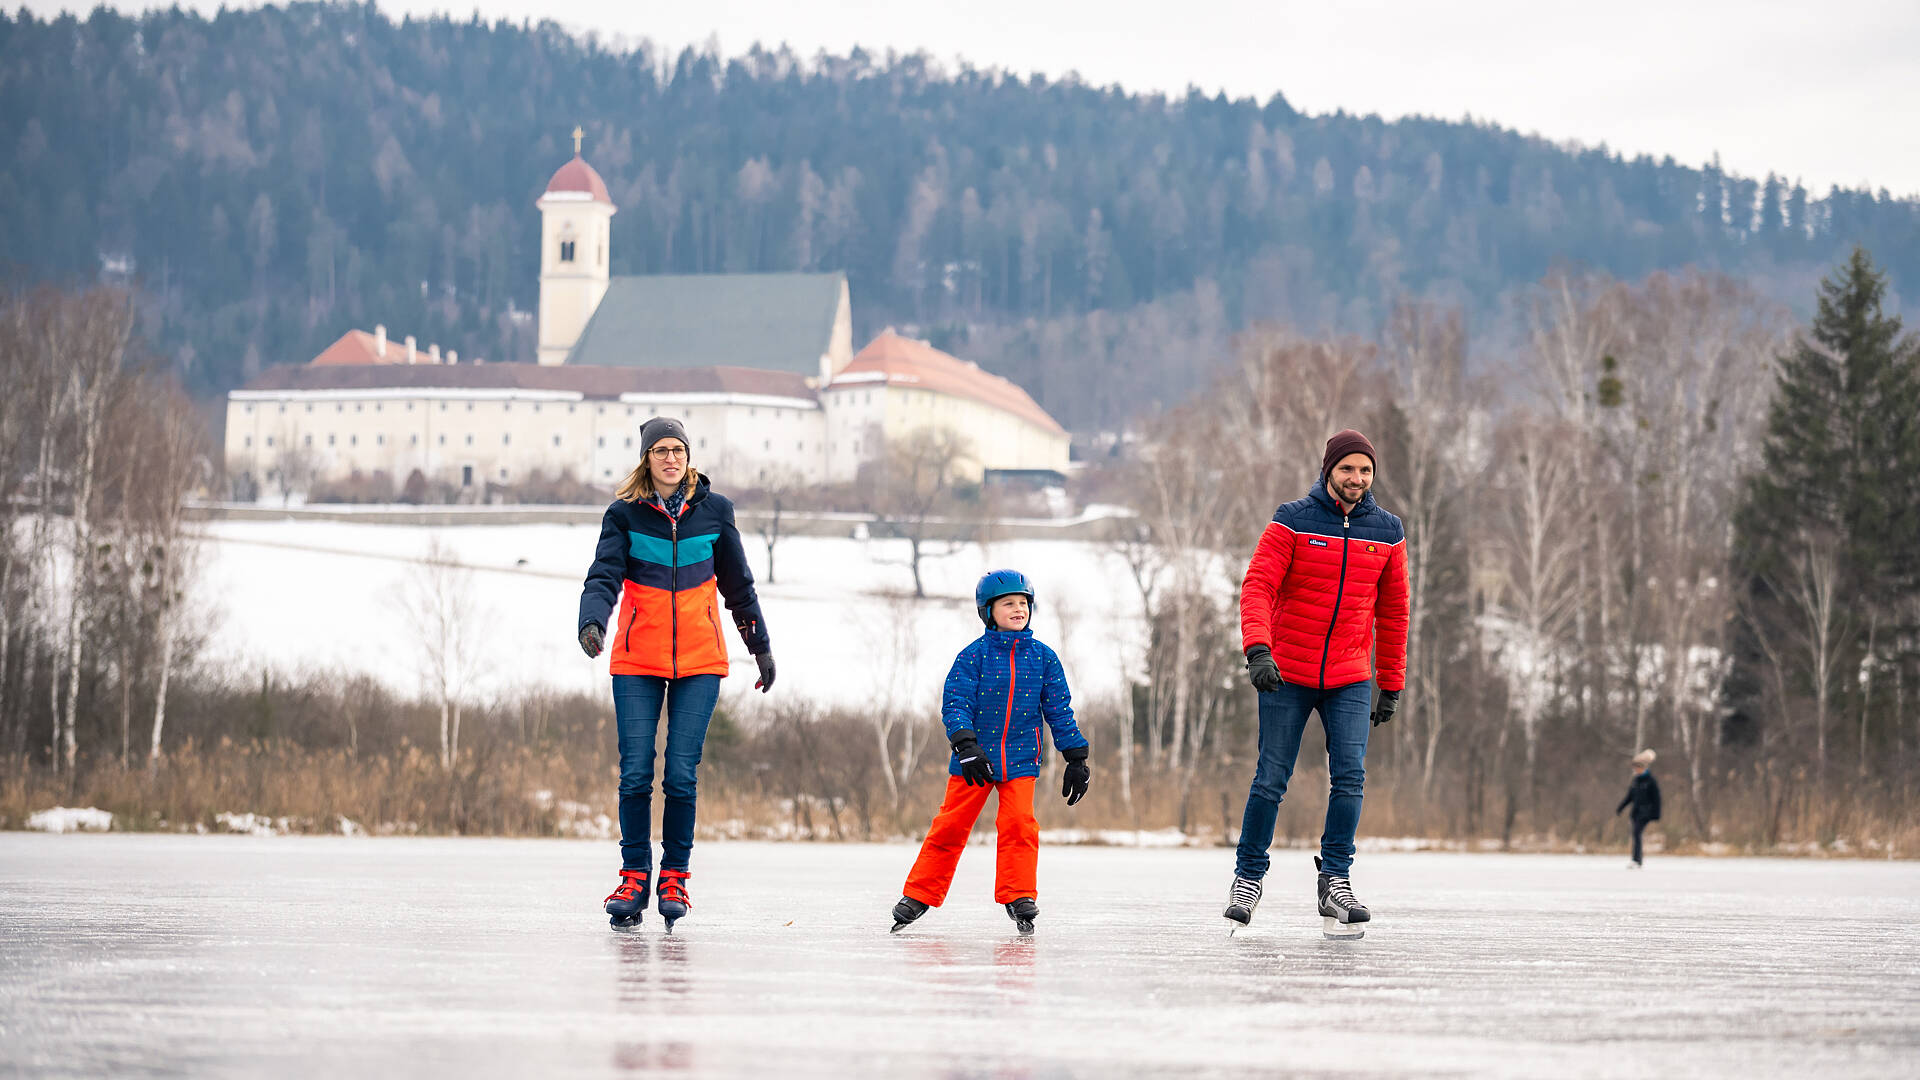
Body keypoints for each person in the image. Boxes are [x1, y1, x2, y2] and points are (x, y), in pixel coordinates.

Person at [577, 417, 776, 931]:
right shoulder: (623, 516)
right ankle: (634, 877)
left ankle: (674, 877)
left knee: (681, 775)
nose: (670, 458)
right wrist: (592, 622)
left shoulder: (716, 513)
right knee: (636, 773)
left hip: (701, 661)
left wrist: (760, 648)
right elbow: (603, 575)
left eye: (678, 450)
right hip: (636, 659)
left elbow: (739, 587)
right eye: (660, 450)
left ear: (689, 456)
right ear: (647, 458)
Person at [1225, 429, 1409, 939]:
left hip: (1350, 676)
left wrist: (1391, 683)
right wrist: (1258, 650)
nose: (1357, 478)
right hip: (1287, 672)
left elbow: (1395, 612)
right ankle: (1248, 877)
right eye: (1348, 468)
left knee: (1349, 777)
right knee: (1271, 777)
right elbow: (1258, 585)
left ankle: (1336, 880)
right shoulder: (1293, 519)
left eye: (1365, 470)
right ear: (1329, 469)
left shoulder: (1388, 531)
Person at [888, 570, 1091, 936]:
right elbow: (956, 702)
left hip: (1020, 759)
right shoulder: (974, 656)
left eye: (1023, 603)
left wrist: (1075, 756)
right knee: (950, 826)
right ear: (988, 611)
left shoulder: (1044, 658)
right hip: (975, 759)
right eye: (1008, 603)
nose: (1018, 609)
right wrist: (965, 743)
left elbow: (1059, 710)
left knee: (1019, 826)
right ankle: (919, 894)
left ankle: (1019, 895)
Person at [1616, 749, 1662, 868]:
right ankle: (1636, 859)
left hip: (1646, 813)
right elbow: (1630, 796)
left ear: (1643, 767)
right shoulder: (1636, 781)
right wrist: (1621, 808)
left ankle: (1637, 860)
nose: (1635, 770)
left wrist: (1656, 814)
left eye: (1637, 768)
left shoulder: (1651, 781)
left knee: (1637, 833)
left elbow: (1657, 799)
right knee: (1635, 835)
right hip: (1636, 812)